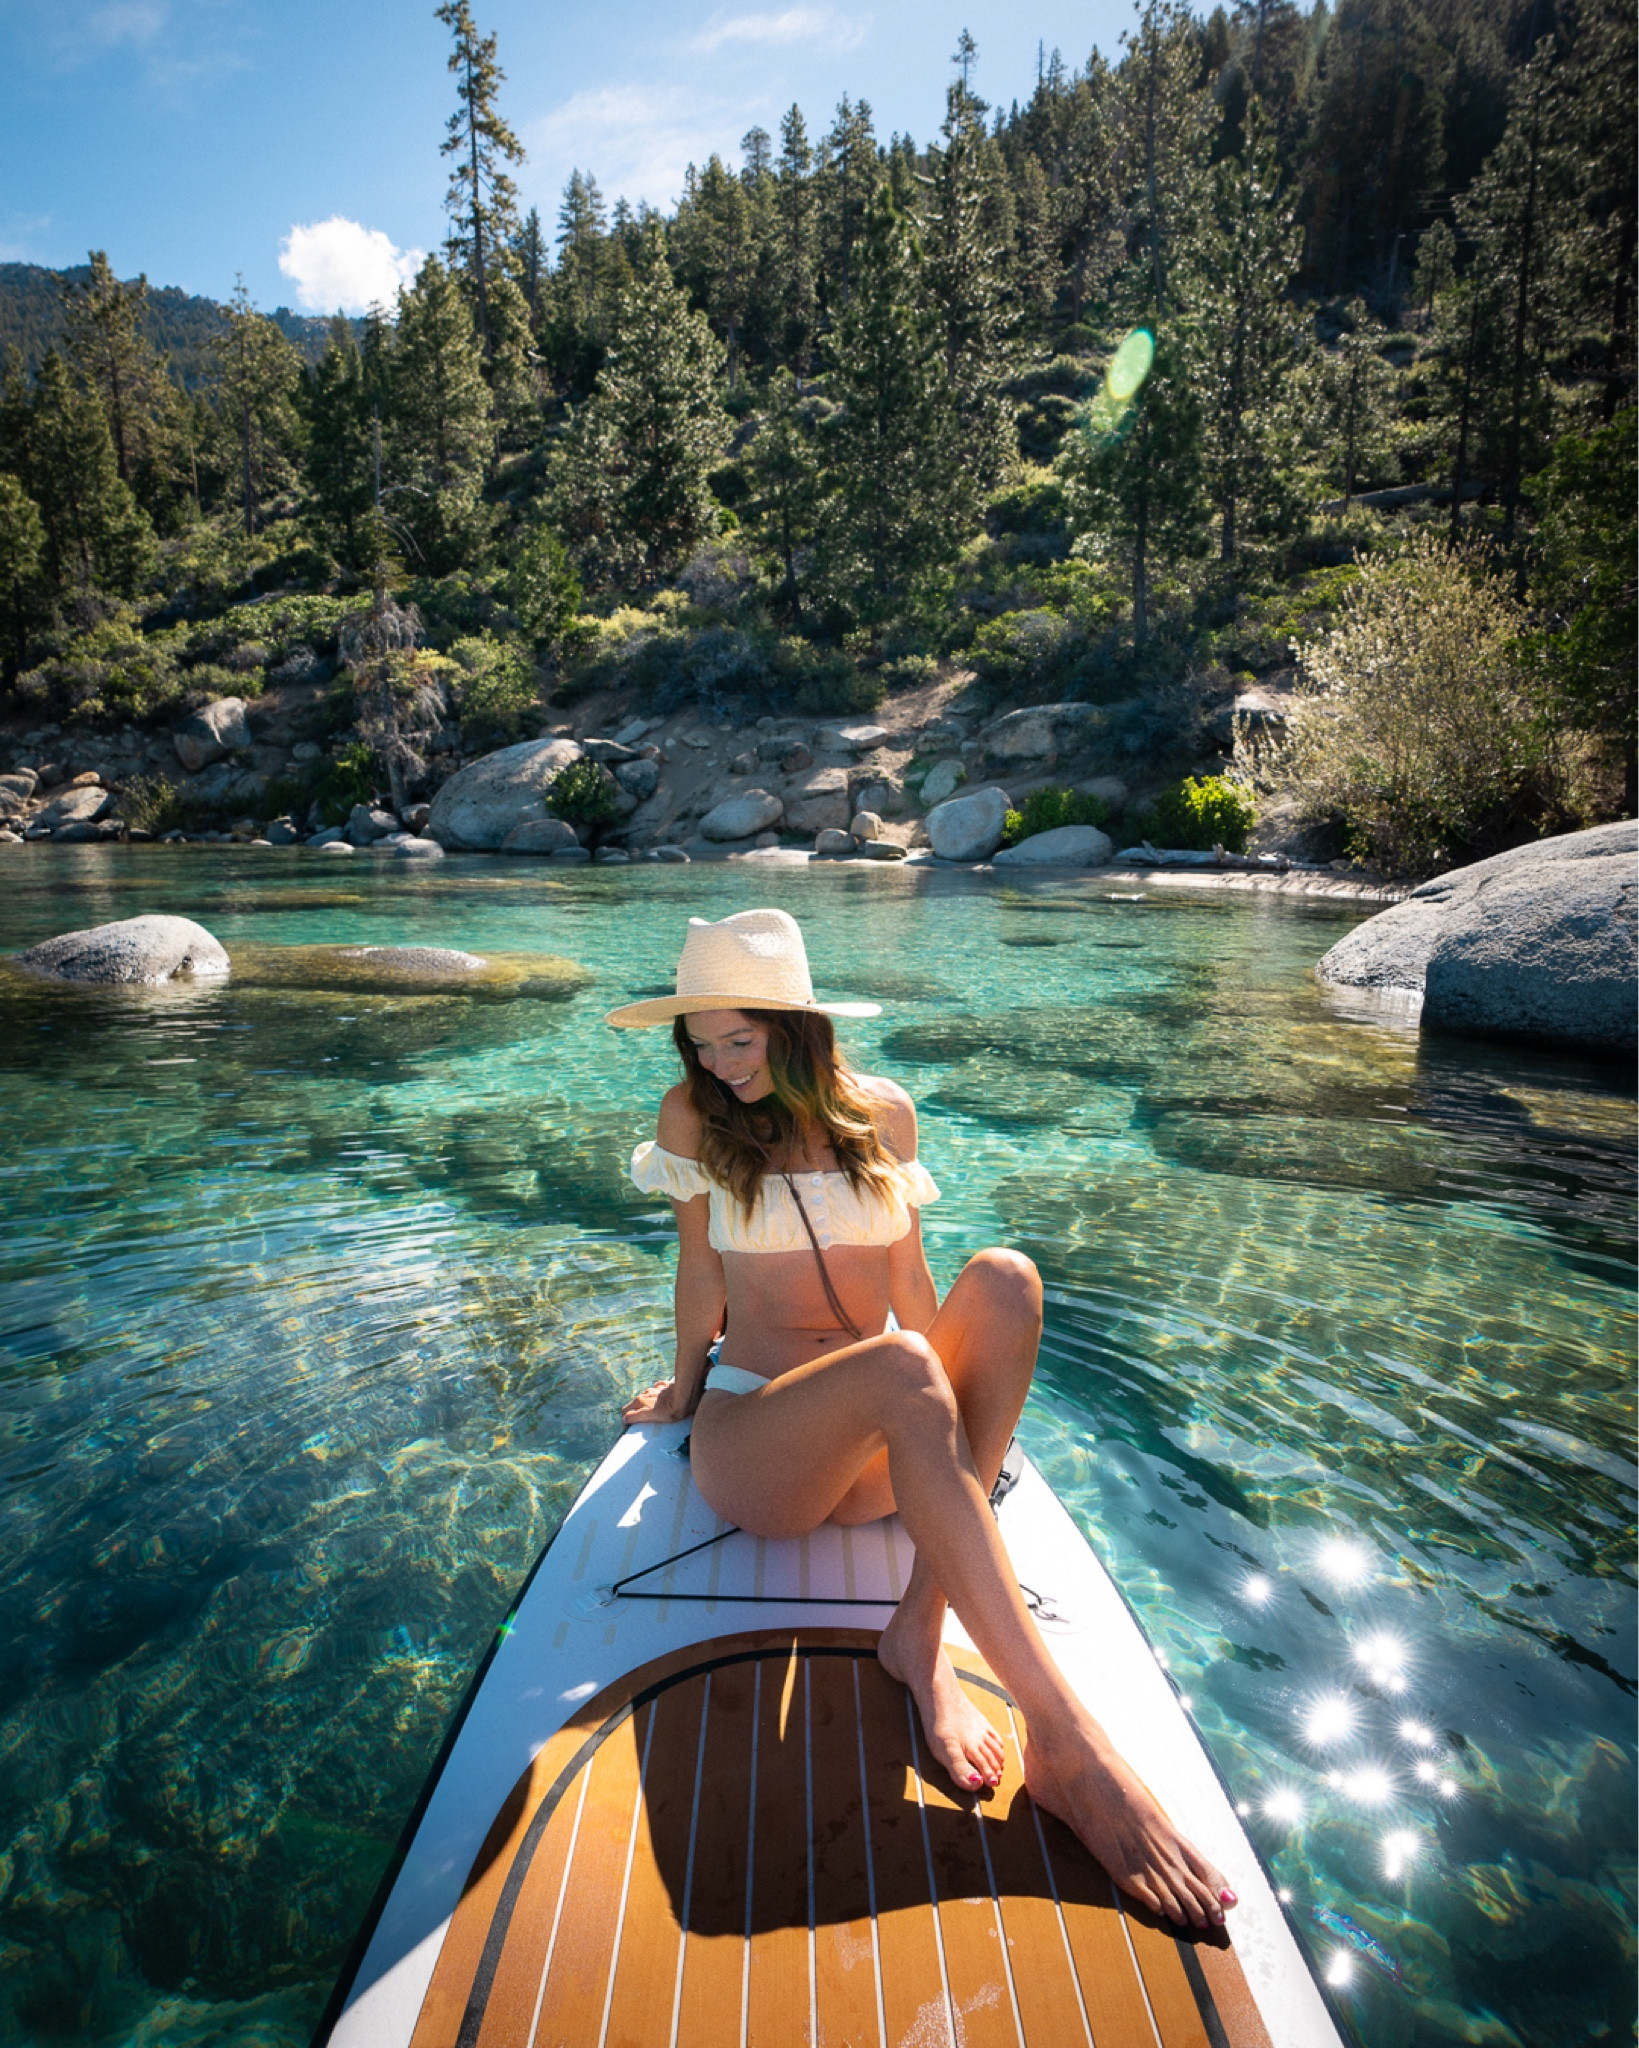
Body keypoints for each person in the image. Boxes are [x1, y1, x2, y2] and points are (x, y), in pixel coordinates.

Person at [608, 908, 1234, 1931]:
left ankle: (918, 1627)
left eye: (740, 1037)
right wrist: (683, 1384)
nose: (720, 1064)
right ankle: (1066, 1741)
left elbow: (909, 1281)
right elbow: (698, 1272)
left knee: (1007, 1279)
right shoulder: (691, 1117)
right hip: (766, 1444)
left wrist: (964, 1406)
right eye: (703, 1042)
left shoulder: (883, 1113)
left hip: (887, 1437)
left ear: (792, 1026)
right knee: (903, 1366)